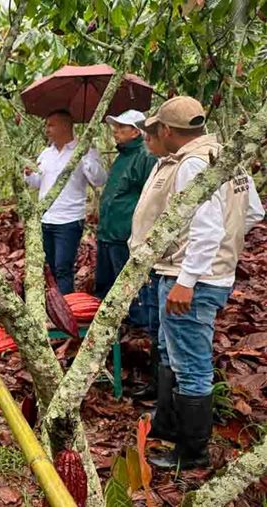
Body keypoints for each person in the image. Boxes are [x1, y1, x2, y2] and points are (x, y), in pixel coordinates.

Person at [132, 97, 265, 470]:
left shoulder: (192, 164)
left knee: (191, 365)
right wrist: (225, 250)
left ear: (167, 130)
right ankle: (168, 425)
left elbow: (206, 229)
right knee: (173, 351)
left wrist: (188, 278)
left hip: (189, 278)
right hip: (201, 273)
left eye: (155, 129)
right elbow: (252, 212)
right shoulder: (224, 157)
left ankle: (191, 453)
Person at [25, 110, 107, 294]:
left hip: (69, 220)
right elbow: (38, 183)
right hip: (45, 218)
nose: (47, 129)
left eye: (51, 125)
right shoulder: (46, 153)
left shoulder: (85, 150)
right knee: (49, 267)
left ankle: (66, 306)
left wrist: (84, 156)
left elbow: (99, 179)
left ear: (65, 126)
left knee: (63, 267)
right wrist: (29, 174)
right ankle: (52, 303)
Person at [128, 122, 173, 401]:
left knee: (168, 334)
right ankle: (157, 388)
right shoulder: (159, 164)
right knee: (157, 328)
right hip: (151, 260)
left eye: (149, 136)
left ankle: (167, 403)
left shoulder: (186, 167)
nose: (146, 141)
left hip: (168, 262)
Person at [95, 110, 157, 304]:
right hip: (108, 232)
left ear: (136, 131)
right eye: (115, 126)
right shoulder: (122, 155)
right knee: (105, 288)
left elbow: (150, 198)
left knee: (126, 290)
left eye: (121, 127)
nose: (115, 131)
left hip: (125, 235)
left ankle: (133, 321)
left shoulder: (145, 156)